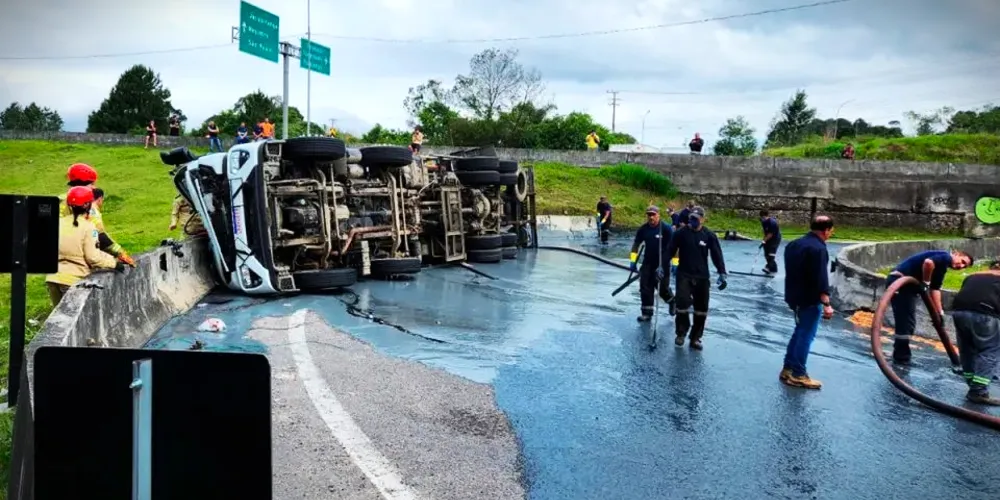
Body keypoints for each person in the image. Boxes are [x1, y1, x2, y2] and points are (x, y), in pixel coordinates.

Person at [886, 248, 974, 364]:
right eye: (962, 261)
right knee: (905, 321)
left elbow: (935, 289)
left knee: (908, 322)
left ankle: (901, 355)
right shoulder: (945, 256)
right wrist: (926, 282)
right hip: (900, 282)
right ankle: (901, 357)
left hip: (907, 287)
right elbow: (928, 262)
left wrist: (939, 312)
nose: (961, 266)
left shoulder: (941, 268)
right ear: (957, 254)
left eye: (964, 266)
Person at [780, 215, 836, 390]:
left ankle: (788, 368)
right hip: (809, 299)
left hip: (793, 296)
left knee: (799, 331)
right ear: (826, 230)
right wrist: (826, 304)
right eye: (831, 231)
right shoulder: (818, 249)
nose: (831, 234)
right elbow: (820, 279)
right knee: (806, 335)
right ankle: (799, 374)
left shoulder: (794, 244)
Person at [45, 187, 125, 306]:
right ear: (87, 205)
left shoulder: (58, 223)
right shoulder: (89, 227)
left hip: (53, 278)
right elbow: (93, 257)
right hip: (73, 279)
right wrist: (114, 263)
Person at [664, 206, 727, 350]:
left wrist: (722, 273)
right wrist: (662, 266)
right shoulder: (680, 233)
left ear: (702, 219)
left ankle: (695, 338)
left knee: (701, 309)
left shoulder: (709, 235)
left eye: (696, 219)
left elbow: (717, 255)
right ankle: (681, 333)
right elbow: (669, 250)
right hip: (684, 274)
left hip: (702, 277)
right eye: (691, 218)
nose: (693, 221)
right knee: (682, 305)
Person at [58, 163, 135, 267]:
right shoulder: (86, 204)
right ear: (85, 184)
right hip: (80, 260)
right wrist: (119, 252)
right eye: (92, 184)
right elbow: (99, 235)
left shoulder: (60, 200)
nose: (94, 187)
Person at [951, 260, 1000, 405]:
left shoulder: (973, 275)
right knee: (990, 349)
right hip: (985, 314)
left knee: (967, 349)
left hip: (958, 313)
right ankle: (978, 391)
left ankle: (973, 383)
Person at [629, 206, 674, 323]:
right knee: (645, 287)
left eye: (653, 214)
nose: (651, 217)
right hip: (648, 262)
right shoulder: (643, 229)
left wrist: (675, 263)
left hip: (663, 263)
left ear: (658, 215)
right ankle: (646, 313)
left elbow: (674, 248)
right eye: (649, 215)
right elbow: (636, 244)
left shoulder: (666, 229)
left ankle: (672, 301)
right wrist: (632, 261)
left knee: (662, 289)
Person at [760, 210, 782, 274]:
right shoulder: (763, 222)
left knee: (771, 254)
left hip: (775, 239)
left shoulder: (772, 222)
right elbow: (765, 232)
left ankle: (768, 267)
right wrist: (763, 241)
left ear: (764, 216)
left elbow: (770, 234)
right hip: (768, 238)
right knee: (766, 254)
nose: (761, 219)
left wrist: (764, 240)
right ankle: (774, 269)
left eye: (762, 217)